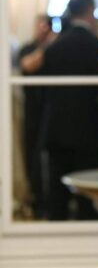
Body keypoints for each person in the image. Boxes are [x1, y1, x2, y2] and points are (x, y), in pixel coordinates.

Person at [40, 0, 98, 220]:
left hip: (56, 132)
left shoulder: (54, 48)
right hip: (89, 132)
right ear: (90, 10)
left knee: (57, 199)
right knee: (88, 201)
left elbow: (43, 94)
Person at [17, 14, 55, 218]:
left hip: (51, 109)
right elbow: (27, 65)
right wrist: (47, 46)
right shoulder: (28, 48)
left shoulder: (56, 49)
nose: (42, 28)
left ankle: (51, 202)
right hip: (32, 111)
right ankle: (37, 201)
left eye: (46, 24)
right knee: (33, 156)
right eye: (39, 23)